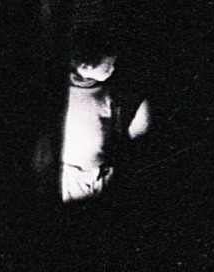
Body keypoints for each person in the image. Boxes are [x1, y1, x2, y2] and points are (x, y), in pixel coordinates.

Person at [58, 32, 151, 203]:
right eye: (108, 66)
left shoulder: (108, 92)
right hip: (73, 178)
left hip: (101, 173)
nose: (113, 69)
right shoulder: (64, 93)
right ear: (85, 66)